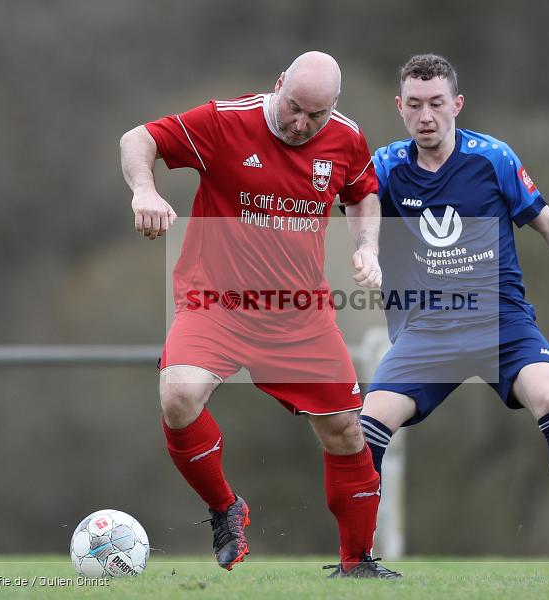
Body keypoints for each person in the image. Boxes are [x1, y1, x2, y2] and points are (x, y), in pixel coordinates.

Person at [359, 54, 549, 578]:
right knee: (368, 428)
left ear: (456, 105)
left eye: (437, 104)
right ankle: (356, 559)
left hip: (501, 324)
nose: (427, 115)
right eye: (415, 105)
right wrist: (366, 249)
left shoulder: (492, 159)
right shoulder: (384, 167)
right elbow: (360, 207)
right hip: (427, 329)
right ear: (399, 107)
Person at [119, 51, 399, 578]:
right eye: (293, 107)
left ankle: (357, 563)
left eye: (314, 116)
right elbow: (138, 138)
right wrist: (145, 190)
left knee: (344, 431)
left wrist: (367, 247)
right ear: (278, 86)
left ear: (333, 107)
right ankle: (226, 508)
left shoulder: (345, 137)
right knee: (178, 397)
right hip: (215, 303)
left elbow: (363, 193)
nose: (300, 124)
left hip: (299, 313)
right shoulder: (226, 122)